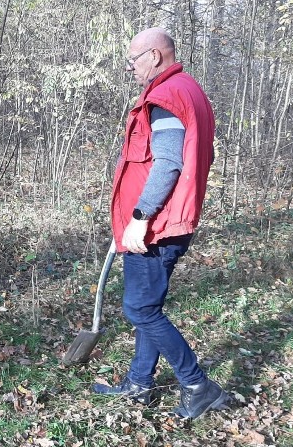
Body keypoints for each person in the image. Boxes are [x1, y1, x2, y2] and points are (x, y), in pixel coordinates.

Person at [91, 28, 228, 419]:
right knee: (148, 306)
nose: (129, 68)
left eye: (132, 60)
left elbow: (169, 162)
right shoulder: (190, 91)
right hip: (171, 220)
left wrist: (140, 217)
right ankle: (140, 383)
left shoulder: (165, 97)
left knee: (139, 310)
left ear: (153, 56)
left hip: (157, 226)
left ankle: (198, 384)